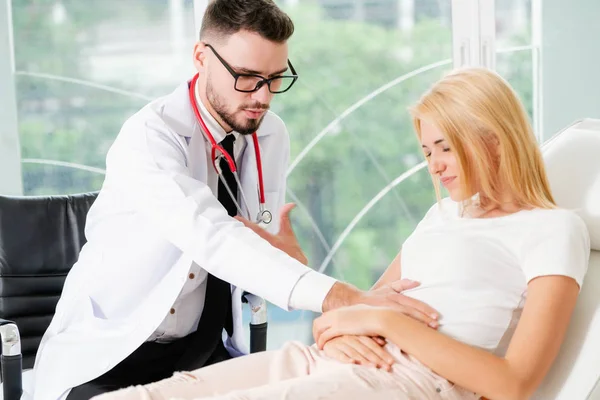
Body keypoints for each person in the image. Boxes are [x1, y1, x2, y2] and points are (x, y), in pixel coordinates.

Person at [92, 67, 590, 400]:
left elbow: (514, 383)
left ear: (493, 140)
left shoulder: (553, 230)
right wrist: (333, 325)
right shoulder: (442, 218)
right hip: (320, 360)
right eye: (426, 152)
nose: (435, 167)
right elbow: (353, 312)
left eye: (445, 148)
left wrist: (387, 324)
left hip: (407, 383)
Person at [30, 1, 439, 400]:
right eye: (246, 77)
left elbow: (251, 242)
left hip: (204, 348)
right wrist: (343, 297)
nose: (262, 96)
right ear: (201, 57)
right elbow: (212, 235)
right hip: (117, 348)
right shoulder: (149, 138)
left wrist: (286, 261)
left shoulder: (269, 135)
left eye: (275, 78)